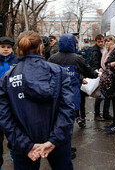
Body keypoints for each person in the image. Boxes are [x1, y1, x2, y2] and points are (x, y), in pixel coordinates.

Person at [0, 31, 75, 169]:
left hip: (24, 142)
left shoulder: (7, 78)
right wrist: (54, 140)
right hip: (56, 141)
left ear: (18, 49)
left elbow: (4, 116)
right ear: (41, 47)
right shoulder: (58, 72)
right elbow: (68, 108)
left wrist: (25, 144)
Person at [48, 34, 98, 158]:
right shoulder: (77, 59)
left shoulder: (52, 58)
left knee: (56, 122)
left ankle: (56, 147)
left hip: (55, 95)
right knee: (68, 123)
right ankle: (66, 150)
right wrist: (96, 74)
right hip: (71, 95)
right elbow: (90, 73)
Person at [0, 36, 18, 170]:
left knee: (12, 130)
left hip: (13, 102)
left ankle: (13, 149)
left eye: (8, 47)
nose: (6, 49)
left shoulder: (17, 62)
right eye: (2, 47)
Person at [89, 34, 112, 120]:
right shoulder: (95, 51)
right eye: (99, 42)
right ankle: (98, 113)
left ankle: (104, 113)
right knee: (101, 95)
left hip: (104, 73)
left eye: (102, 41)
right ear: (96, 42)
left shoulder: (103, 49)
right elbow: (94, 63)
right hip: (100, 74)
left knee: (106, 94)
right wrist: (98, 71)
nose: (101, 43)